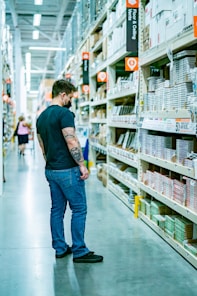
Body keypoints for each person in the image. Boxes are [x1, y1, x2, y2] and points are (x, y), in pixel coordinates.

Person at [36, 79, 103, 263]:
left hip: (51, 170)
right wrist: (82, 164)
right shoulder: (65, 114)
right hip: (67, 170)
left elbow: (42, 146)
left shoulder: (41, 117)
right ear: (63, 94)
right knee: (79, 208)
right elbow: (71, 141)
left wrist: (50, 163)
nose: (71, 101)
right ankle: (80, 250)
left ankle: (60, 248)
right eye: (70, 97)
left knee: (57, 210)